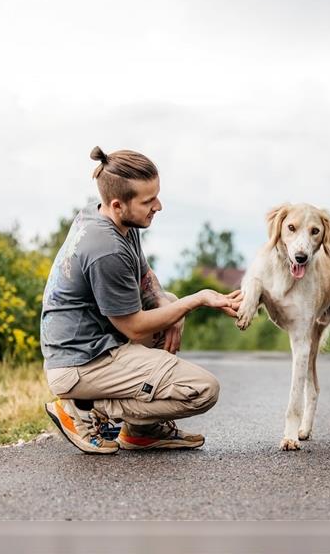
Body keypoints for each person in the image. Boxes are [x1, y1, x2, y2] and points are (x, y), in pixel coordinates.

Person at [41, 146, 241, 454]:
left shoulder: (114, 220)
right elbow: (134, 328)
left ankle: (142, 431)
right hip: (80, 362)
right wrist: (196, 300)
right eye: (149, 201)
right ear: (119, 204)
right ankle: (84, 408)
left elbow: (145, 276)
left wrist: (169, 306)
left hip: (97, 344)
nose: (158, 206)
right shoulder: (105, 249)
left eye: (156, 196)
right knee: (203, 390)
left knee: (169, 301)